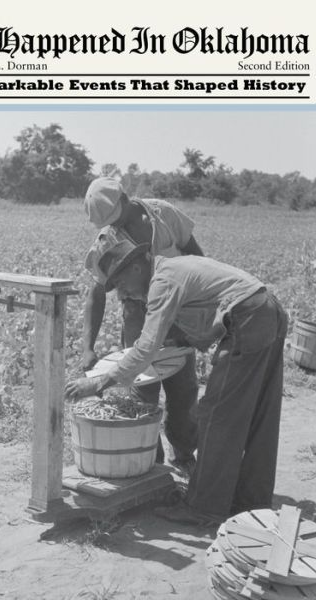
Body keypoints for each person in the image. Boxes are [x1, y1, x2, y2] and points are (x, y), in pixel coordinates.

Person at [66, 239, 288, 527]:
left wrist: (99, 383)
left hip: (248, 318)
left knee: (216, 415)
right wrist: (183, 340)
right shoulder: (173, 268)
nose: (122, 294)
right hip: (268, 311)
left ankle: (205, 508)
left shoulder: (163, 281)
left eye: (120, 283)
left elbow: (145, 348)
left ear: (136, 266)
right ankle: (252, 501)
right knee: (261, 412)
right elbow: (208, 316)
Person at [82, 177, 204, 469]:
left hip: (179, 308)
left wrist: (197, 310)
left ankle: (185, 457)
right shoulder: (107, 238)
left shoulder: (163, 214)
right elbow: (96, 293)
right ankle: (152, 465)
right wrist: (88, 346)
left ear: (125, 198)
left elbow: (196, 255)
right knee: (142, 391)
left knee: (183, 389)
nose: (115, 225)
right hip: (138, 314)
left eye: (116, 217)